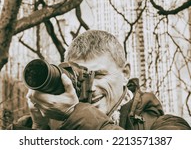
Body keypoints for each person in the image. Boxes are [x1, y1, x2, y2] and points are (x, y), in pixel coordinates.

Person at [10, 30, 191, 130]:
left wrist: (75, 115)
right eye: (82, 78)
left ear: (125, 73)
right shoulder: (54, 125)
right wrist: (40, 129)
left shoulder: (167, 126)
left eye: (99, 75)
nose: (91, 86)